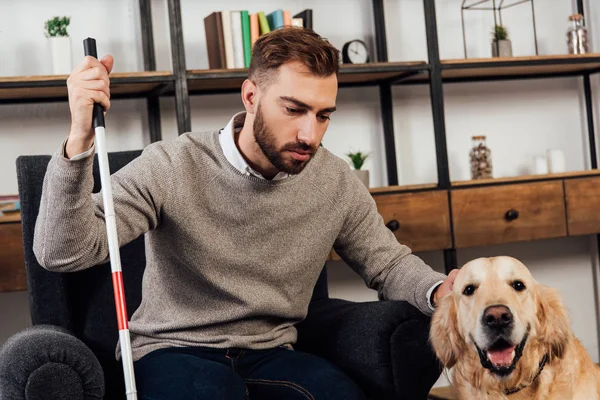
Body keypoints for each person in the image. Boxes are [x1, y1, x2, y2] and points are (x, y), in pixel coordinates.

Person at [33, 27, 458, 400]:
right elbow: (61, 253)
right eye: (294, 110)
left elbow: (387, 263)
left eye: (323, 115)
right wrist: (79, 137)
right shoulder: (172, 165)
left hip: (273, 353)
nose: (310, 134)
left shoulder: (335, 181)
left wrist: (440, 291)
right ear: (251, 95)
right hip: (171, 350)